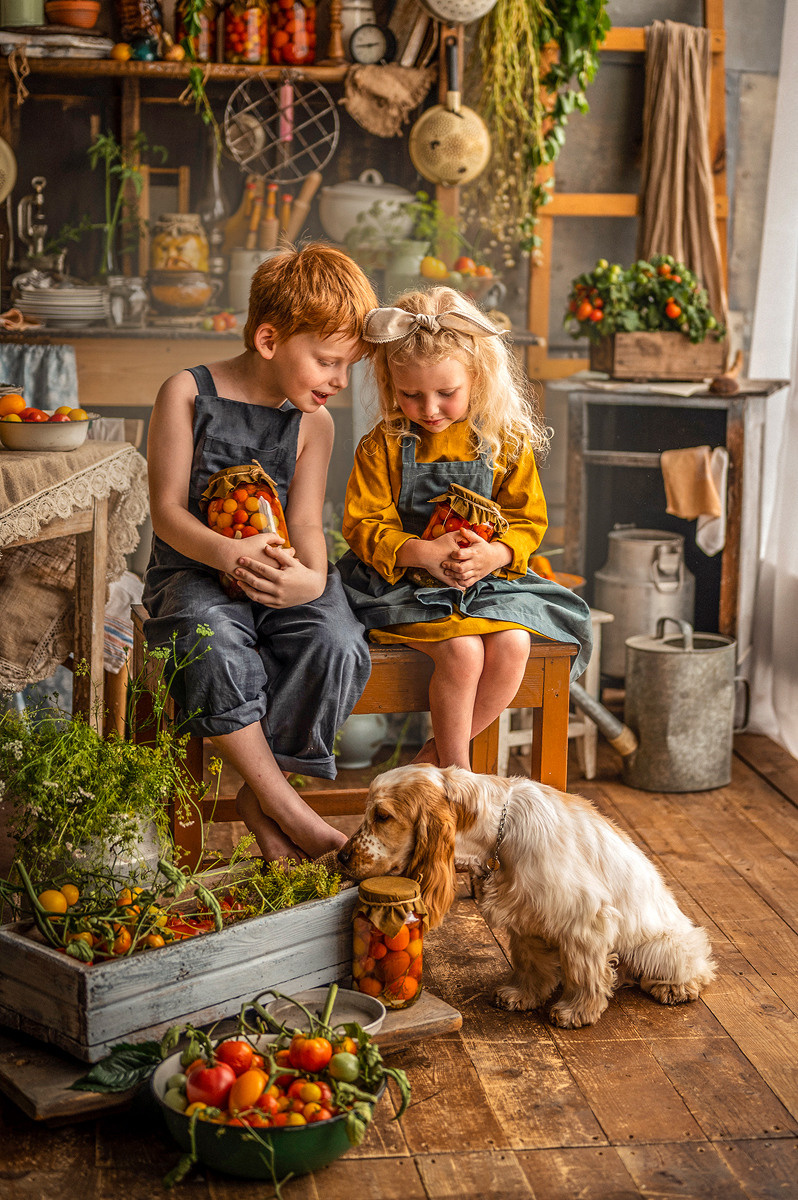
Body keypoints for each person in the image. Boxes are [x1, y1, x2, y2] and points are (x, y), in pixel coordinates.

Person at [143, 244, 378, 862]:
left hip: (280, 576)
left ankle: (262, 794)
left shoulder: (314, 425)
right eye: (328, 361)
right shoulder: (186, 394)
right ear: (269, 339)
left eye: (347, 366)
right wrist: (228, 555)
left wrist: (311, 579)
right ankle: (286, 806)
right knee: (209, 639)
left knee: (338, 639)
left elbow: (304, 521)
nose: (339, 380)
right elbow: (165, 512)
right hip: (195, 574)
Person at [338, 287, 593, 771]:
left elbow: (527, 520)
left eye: (446, 393)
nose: (429, 408)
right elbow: (364, 523)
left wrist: (495, 555)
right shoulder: (383, 445)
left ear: (477, 377)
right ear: (391, 382)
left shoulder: (503, 439)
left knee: (515, 642)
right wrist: (424, 552)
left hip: (484, 581)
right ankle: (459, 777)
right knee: (460, 652)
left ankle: (431, 764)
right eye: (410, 394)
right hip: (402, 584)